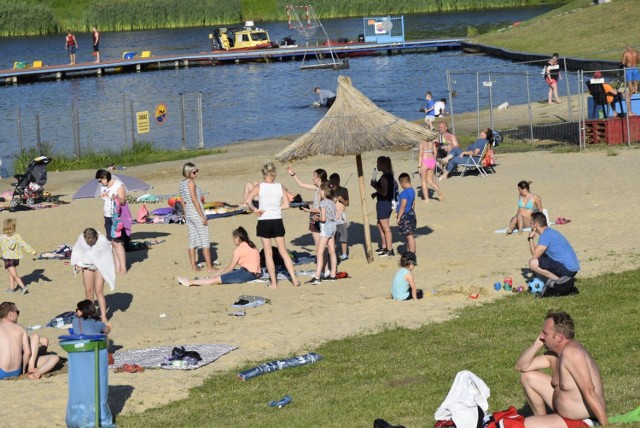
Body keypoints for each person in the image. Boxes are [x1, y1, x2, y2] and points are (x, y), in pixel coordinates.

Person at [515, 311, 608, 427]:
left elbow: (589, 391)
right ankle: (542, 419)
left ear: (559, 338)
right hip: (563, 411)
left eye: (545, 333)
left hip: (582, 419)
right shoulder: (554, 355)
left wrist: (605, 424)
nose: (541, 336)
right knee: (527, 376)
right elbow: (521, 366)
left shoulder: (572, 353)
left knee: (521, 425)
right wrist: (536, 345)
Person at [245, 163, 299, 289]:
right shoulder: (280, 187)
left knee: (268, 253)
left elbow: (248, 201)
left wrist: (255, 210)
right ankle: (294, 279)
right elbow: (287, 205)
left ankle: (274, 283)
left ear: (264, 174)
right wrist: (276, 207)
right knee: (284, 252)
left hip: (264, 220)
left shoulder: (259, 186)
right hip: (277, 220)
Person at [177, 227, 261, 286]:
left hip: (247, 274)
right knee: (223, 270)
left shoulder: (239, 250)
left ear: (238, 238)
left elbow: (230, 268)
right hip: (254, 273)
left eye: (234, 238)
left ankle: (190, 282)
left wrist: (217, 277)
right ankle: (209, 278)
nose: (233, 240)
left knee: (215, 280)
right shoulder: (251, 245)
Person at [0, 302, 60, 380]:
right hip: (17, 371)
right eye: (17, 312)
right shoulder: (20, 329)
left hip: (2, 372)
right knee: (55, 358)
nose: (18, 315)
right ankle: (36, 373)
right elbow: (27, 352)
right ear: (11, 314)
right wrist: (24, 369)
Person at [70, 228, 115, 326]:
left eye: (92, 242)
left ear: (96, 237)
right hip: (87, 265)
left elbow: (107, 255)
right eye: (88, 242)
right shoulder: (81, 239)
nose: (90, 244)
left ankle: (104, 317)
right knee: (88, 291)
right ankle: (89, 316)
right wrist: (78, 263)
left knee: (99, 291)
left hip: (100, 266)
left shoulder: (102, 240)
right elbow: (78, 251)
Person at [528, 212, 580, 287]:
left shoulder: (546, 235)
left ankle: (561, 283)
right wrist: (531, 239)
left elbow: (534, 257)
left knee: (532, 263)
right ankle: (555, 280)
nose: (530, 225)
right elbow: (536, 254)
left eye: (531, 223)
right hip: (572, 268)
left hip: (568, 270)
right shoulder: (549, 232)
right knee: (541, 257)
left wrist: (530, 238)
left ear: (536, 225)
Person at [179, 162, 213, 272]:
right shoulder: (191, 183)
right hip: (195, 213)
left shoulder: (181, 184)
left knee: (192, 240)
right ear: (188, 172)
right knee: (205, 239)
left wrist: (185, 214)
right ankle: (209, 267)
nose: (196, 173)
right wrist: (202, 216)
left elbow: (183, 202)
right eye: (194, 171)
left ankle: (194, 267)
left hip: (189, 214)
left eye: (197, 171)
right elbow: (194, 199)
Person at [96, 169, 131, 275]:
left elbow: (123, 201)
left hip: (116, 217)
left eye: (100, 180)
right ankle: (117, 268)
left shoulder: (118, 185)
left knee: (117, 242)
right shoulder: (103, 188)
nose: (100, 182)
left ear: (105, 178)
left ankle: (123, 268)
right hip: (107, 216)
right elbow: (105, 203)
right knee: (112, 242)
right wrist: (104, 219)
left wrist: (115, 197)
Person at [288, 166, 328, 258]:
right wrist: (293, 174)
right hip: (321, 215)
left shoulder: (321, 190)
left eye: (314, 176)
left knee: (319, 244)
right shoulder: (321, 188)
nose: (312, 178)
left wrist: (308, 210)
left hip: (316, 215)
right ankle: (324, 263)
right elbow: (301, 184)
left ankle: (321, 264)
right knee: (323, 243)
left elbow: (320, 207)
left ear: (318, 178)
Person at [308, 182, 338, 284]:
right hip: (333, 226)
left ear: (324, 192)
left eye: (320, 191)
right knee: (332, 251)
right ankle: (333, 274)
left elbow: (324, 219)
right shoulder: (332, 202)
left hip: (326, 227)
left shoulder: (323, 203)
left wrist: (317, 218)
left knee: (320, 252)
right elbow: (335, 216)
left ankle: (317, 277)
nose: (318, 193)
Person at [1, 219, 36, 294]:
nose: (9, 231)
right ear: (4, 229)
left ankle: (23, 287)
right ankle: (11, 288)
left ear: (13, 228)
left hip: (14, 258)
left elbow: (24, 244)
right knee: (10, 272)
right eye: (7, 229)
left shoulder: (17, 236)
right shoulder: (2, 237)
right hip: (7, 258)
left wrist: (32, 251)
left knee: (13, 274)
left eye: (10, 229)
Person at [371, 156, 395, 257]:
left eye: (378, 164)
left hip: (384, 203)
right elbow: (387, 191)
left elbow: (385, 193)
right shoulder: (388, 175)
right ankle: (384, 246)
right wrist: (376, 193)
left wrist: (375, 186)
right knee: (379, 225)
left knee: (385, 227)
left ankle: (389, 249)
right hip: (385, 202)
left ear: (383, 164)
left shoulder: (385, 177)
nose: (377, 166)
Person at [329, 173, 350, 260]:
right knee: (332, 236)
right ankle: (333, 253)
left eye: (334, 181)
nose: (333, 183)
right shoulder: (329, 191)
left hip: (342, 216)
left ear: (338, 181)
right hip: (332, 216)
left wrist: (342, 200)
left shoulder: (344, 190)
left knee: (343, 236)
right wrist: (332, 201)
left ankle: (344, 254)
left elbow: (347, 203)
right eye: (331, 181)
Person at [418, 136, 444, 202]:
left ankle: (427, 199)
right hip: (432, 161)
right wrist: (433, 159)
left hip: (425, 161)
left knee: (423, 181)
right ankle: (440, 192)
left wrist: (419, 166)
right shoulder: (432, 143)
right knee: (431, 180)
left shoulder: (422, 143)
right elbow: (435, 152)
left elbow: (421, 154)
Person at [396, 173, 417, 253]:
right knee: (410, 235)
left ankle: (411, 252)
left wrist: (399, 217)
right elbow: (413, 203)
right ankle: (409, 251)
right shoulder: (412, 191)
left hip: (405, 215)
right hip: (411, 213)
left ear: (403, 183)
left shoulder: (404, 193)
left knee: (409, 236)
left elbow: (403, 205)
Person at [621, 45, 639, 116]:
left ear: (627, 48)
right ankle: (636, 92)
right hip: (635, 67)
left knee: (629, 82)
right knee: (635, 81)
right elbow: (638, 60)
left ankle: (631, 93)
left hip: (629, 68)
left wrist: (625, 63)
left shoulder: (626, 53)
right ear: (632, 47)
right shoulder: (635, 52)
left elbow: (623, 62)